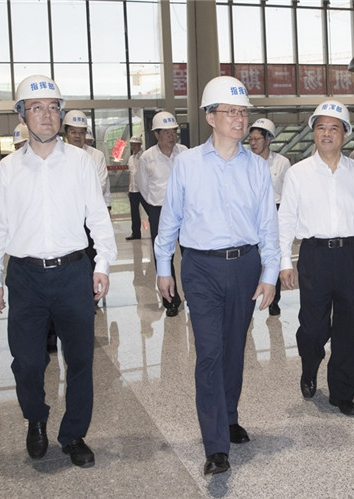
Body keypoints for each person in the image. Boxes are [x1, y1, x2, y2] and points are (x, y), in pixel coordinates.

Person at [155, 76, 279, 476]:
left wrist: (270, 273)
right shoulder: (188, 164)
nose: (240, 119)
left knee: (233, 348)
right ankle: (215, 445)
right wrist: (163, 268)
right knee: (209, 351)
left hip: (244, 265)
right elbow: (170, 219)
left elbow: (268, 226)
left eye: (243, 112)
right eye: (231, 112)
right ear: (211, 117)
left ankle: (228, 416)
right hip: (201, 267)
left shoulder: (257, 168)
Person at [0, 75, 117, 468]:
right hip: (26, 276)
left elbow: (98, 217)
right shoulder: (7, 170)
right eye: (36, 108)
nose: (46, 115)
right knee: (28, 361)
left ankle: (74, 435)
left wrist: (102, 264)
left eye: (53, 107)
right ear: (22, 115)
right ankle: (36, 418)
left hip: (73, 273)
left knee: (80, 359)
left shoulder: (81, 163)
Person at [279, 100, 354, 417]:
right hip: (314, 255)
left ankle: (343, 392)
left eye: (334, 128)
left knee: (348, 326)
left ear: (346, 133)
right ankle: (310, 365)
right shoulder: (298, 174)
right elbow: (286, 221)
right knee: (313, 327)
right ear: (314, 133)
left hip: (351, 254)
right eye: (321, 128)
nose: (326, 133)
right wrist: (284, 262)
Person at [138, 111, 187, 317]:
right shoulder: (147, 157)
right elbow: (143, 187)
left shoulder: (184, 153)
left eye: (173, 131)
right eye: (166, 132)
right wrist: (155, 207)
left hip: (185, 211)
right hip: (159, 210)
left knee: (190, 254)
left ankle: (194, 295)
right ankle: (170, 300)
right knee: (164, 256)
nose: (171, 136)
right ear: (156, 134)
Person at [248, 118, 290, 316]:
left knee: (274, 255)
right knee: (250, 258)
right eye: (251, 139)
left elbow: (287, 193)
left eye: (257, 139)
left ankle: (274, 300)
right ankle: (249, 298)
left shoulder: (282, 163)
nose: (253, 143)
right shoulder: (245, 162)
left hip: (275, 209)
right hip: (250, 213)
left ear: (268, 140)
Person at [63, 110, 112, 211]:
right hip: (67, 211)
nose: (77, 136)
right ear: (66, 134)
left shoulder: (97, 156)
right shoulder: (58, 156)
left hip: (92, 210)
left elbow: (100, 185)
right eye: (73, 132)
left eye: (81, 132)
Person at [125, 136, 147, 240]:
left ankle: (158, 230)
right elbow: (131, 174)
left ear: (140, 145)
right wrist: (129, 189)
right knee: (134, 213)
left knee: (150, 211)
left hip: (143, 189)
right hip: (133, 189)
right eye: (132, 145)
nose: (133, 147)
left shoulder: (144, 156)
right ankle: (136, 233)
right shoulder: (130, 158)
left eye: (135, 144)